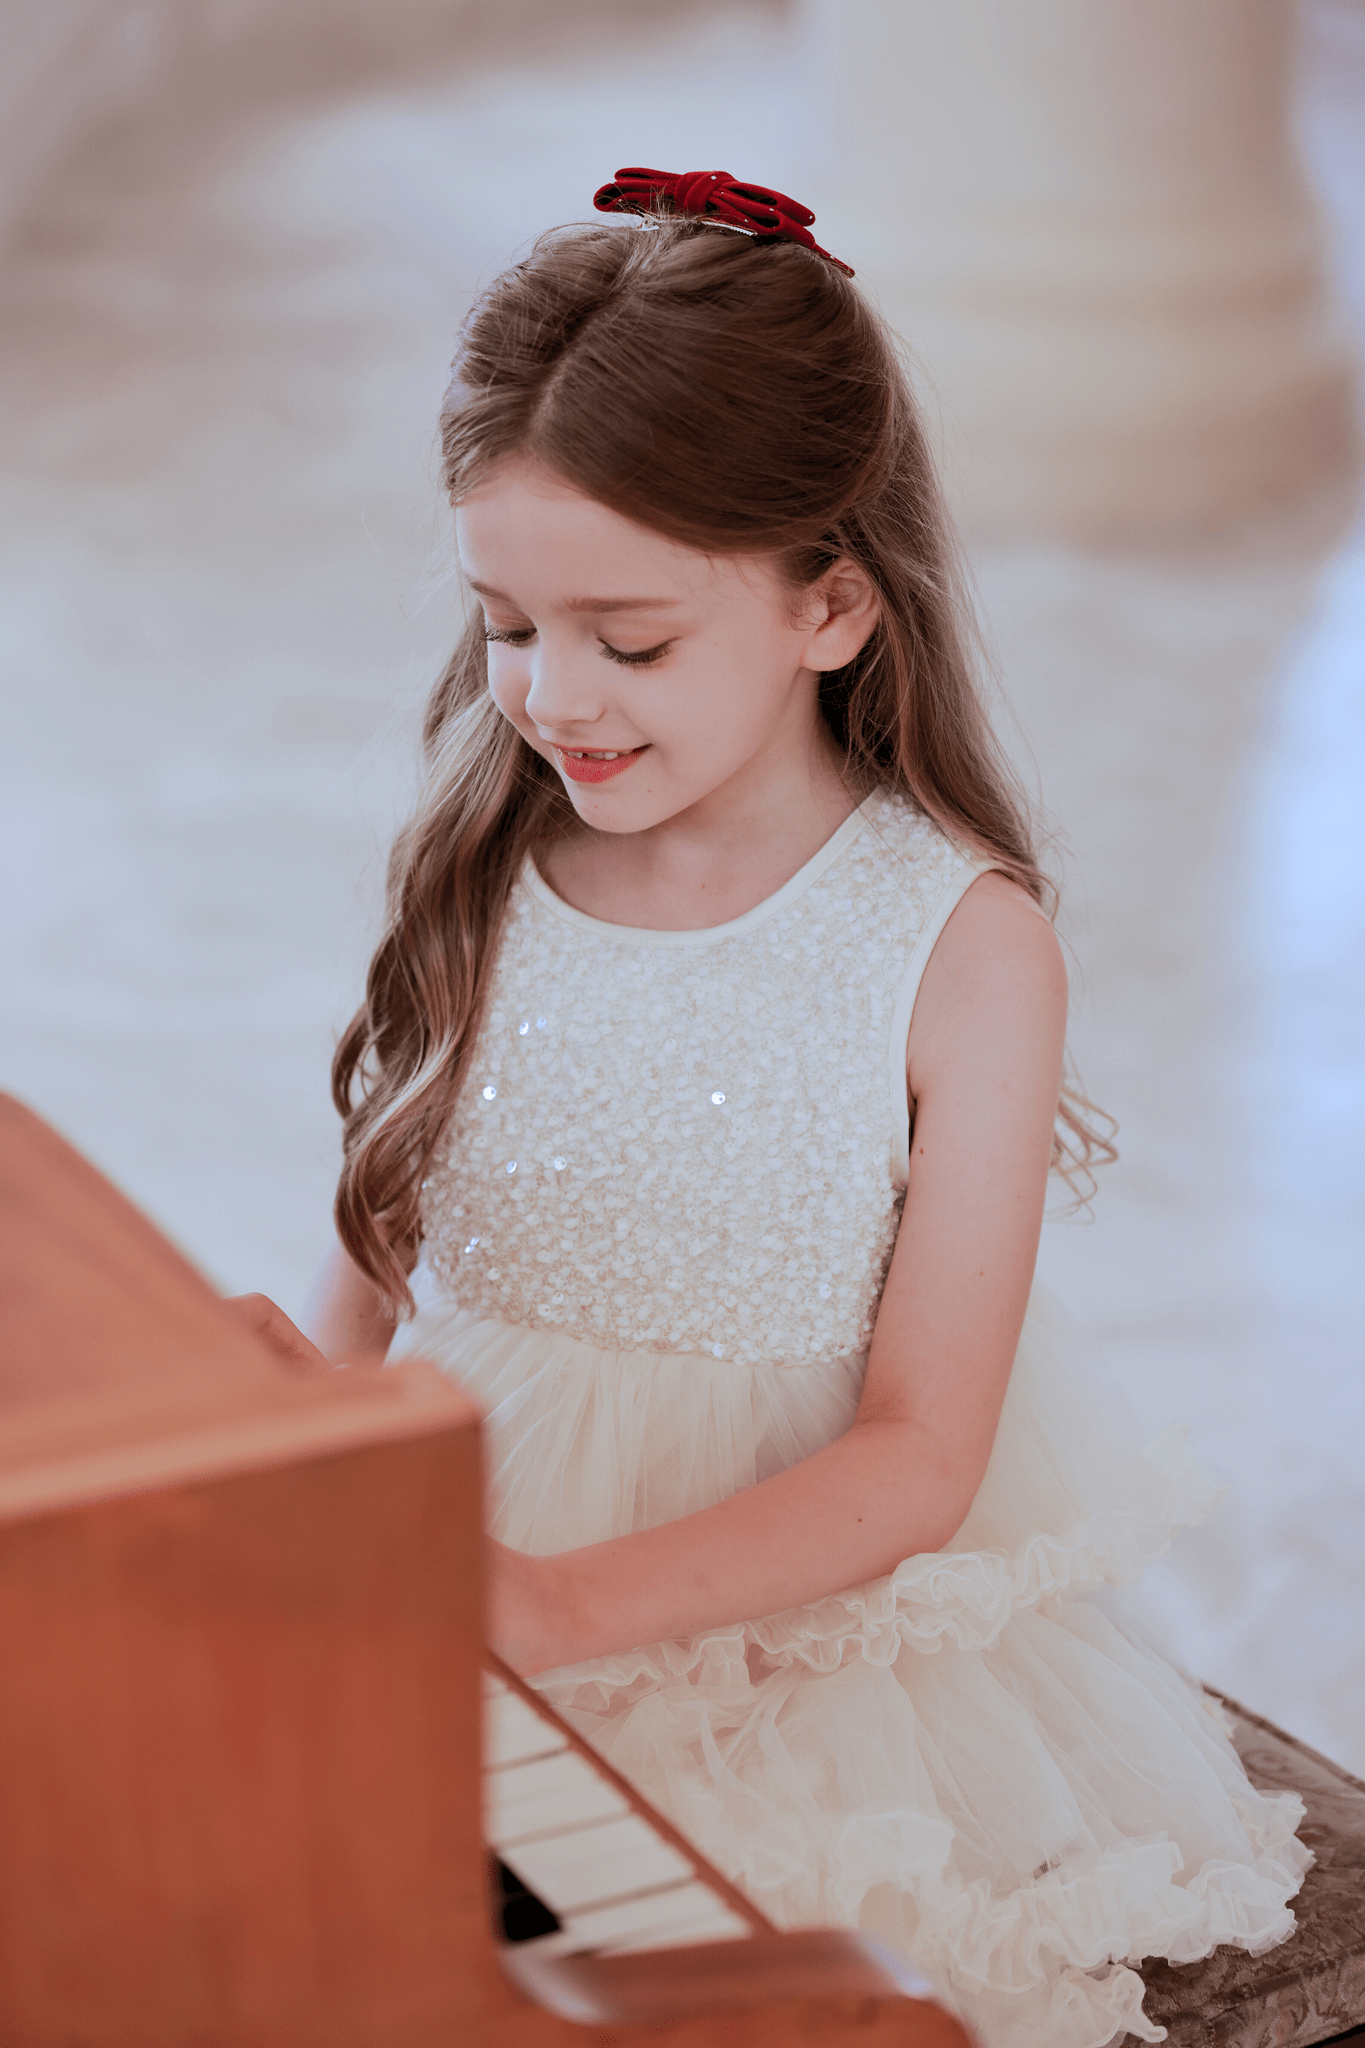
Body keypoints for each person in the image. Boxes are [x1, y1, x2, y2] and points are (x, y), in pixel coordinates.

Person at [233, 172, 1309, 2048]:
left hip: (779, 1619)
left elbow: (915, 1451)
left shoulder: (957, 948)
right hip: (461, 1535)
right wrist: (303, 1432)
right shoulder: (493, 854)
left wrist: (561, 1614)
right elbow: (393, 1214)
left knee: (692, 1972)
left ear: (830, 604)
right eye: (505, 625)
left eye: (626, 642)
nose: (547, 698)